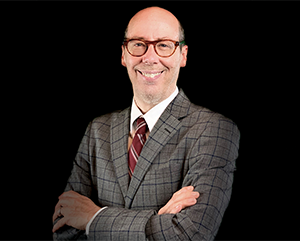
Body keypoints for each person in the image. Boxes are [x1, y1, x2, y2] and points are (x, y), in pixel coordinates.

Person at [52, 6, 240, 241]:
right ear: (124, 54)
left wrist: (93, 218)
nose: (149, 57)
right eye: (138, 44)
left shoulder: (213, 129)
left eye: (163, 45)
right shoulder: (97, 130)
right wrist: (160, 220)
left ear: (183, 55)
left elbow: (191, 233)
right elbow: (64, 227)